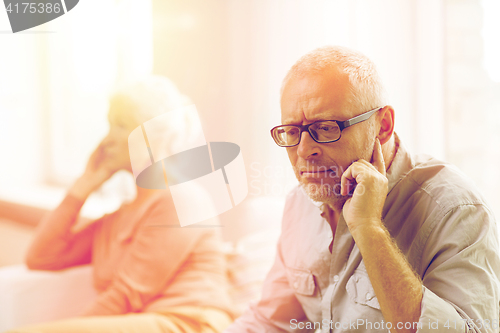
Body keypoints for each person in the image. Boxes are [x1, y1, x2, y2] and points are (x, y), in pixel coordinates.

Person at [225, 46, 500, 333]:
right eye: (292, 132)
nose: (304, 151)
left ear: (383, 125)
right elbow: (271, 321)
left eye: (326, 127)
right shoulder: (300, 202)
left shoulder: (455, 209)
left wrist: (370, 229)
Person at [10, 76, 234, 333]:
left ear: (152, 135)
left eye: (121, 125)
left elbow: (125, 297)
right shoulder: (118, 218)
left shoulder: (182, 199)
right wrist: (82, 186)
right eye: (109, 125)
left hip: (189, 323)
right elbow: (42, 258)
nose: (107, 139)